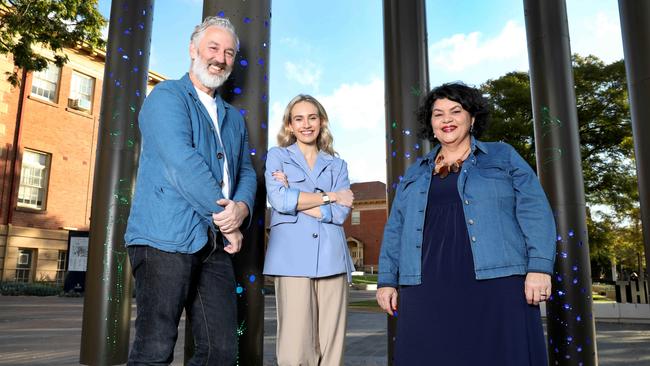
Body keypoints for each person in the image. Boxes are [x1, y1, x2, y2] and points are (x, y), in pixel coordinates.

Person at [376, 82, 556, 365]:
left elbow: (535, 211)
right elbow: (395, 228)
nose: (446, 119)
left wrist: (539, 268)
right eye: (438, 114)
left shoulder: (502, 156)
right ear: (431, 124)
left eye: (455, 111)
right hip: (426, 285)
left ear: (472, 118)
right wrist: (387, 280)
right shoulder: (414, 172)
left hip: (496, 283)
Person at [124, 16, 256, 365]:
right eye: (213, 47)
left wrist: (241, 207)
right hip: (163, 238)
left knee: (222, 351)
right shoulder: (166, 97)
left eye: (229, 52)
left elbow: (244, 170)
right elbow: (182, 163)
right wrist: (229, 221)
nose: (221, 58)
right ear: (192, 49)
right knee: (155, 348)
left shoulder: (233, 117)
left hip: (214, 245)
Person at [263, 94, 355, 366]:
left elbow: (340, 214)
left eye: (312, 117)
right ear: (289, 125)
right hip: (290, 259)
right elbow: (278, 200)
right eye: (299, 118)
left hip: (332, 258)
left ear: (322, 121)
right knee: (294, 347)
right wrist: (330, 196)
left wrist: (295, 195)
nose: (306, 124)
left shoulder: (338, 165)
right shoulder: (277, 156)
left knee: (332, 344)